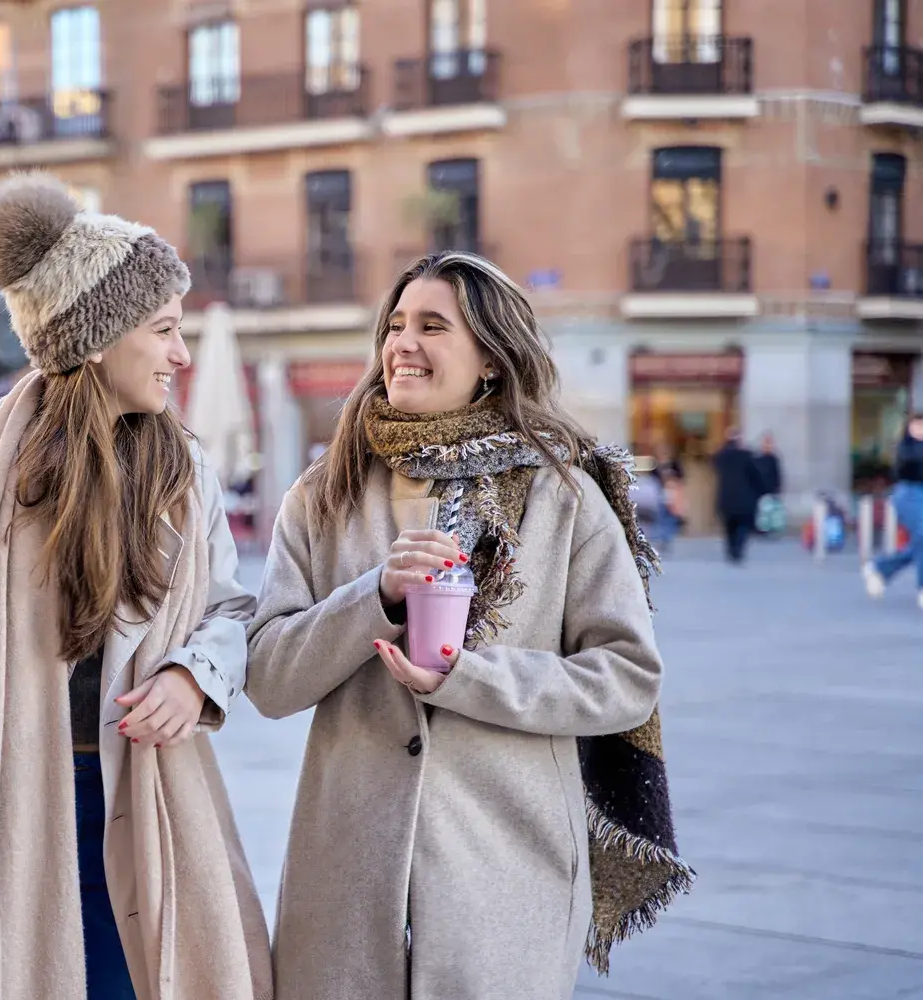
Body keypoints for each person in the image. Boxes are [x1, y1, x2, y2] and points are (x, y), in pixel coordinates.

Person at [0, 174, 272, 1000]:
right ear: (97, 340)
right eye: (164, 330)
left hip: (150, 797)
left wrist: (194, 676)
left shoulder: (187, 474)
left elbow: (230, 608)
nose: (181, 354)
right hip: (4, 806)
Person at [245, 252, 690, 1000]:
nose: (402, 344)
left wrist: (466, 677)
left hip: (506, 873)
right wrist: (374, 598)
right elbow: (267, 678)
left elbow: (627, 679)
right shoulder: (326, 493)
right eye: (394, 325)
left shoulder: (565, 496)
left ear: (489, 356)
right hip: (347, 879)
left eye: (431, 326)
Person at [863, 411, 923, 609]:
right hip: (909, 493)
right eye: (917, 425)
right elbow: (909, 463)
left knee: (919, 543)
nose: (920, 429)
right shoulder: (906, 446)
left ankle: (881, 568)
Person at [712, 428, 766, 563]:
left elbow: (715, 462)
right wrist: (761, 491)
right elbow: (756, 475)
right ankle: (738, 550)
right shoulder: (747, 455)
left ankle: (731, 549)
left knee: (729, 527)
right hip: (744, 497)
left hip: (727, 497)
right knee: (742, 526)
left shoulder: (722, 456)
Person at [753, 432, 786, 536]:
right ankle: (761, 528)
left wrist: (778, 487)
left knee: (771, 510)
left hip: (771, 489)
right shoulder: (757, 459)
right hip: (759, 489)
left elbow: (777, 474)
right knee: (762, 511)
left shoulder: (774, 459)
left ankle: (771, 528)